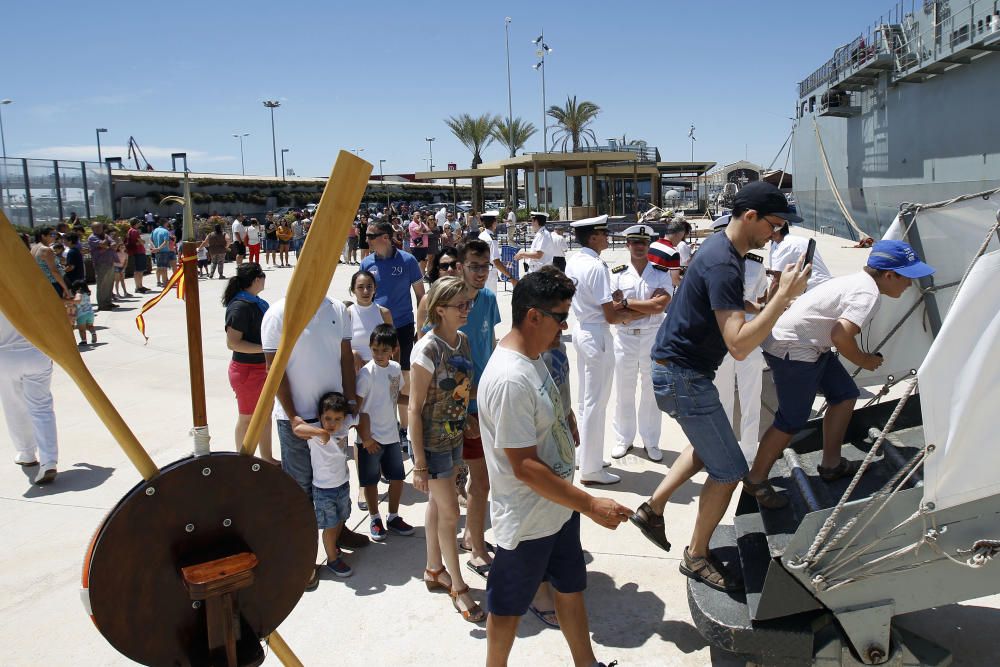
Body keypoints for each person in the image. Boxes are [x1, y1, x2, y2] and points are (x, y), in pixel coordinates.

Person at [630, 181, 809, 593]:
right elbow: (739, 345)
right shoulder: (725, 264)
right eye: (774, 225)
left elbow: (716, 301)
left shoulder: (717, 250)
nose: (776, 234)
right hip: (683, 376)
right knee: (729, 470)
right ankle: (696, 556)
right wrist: (782, 297)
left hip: (678, 371)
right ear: (750, 217)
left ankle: (652, 508)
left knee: (706, 446)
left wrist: (759, 306)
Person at [479, 269, 631, 667]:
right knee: (508, 608)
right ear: (533, 316)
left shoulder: (535, 357)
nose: (565, 326)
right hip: (529, 520)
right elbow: (525, 466)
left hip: (558, 510)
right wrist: (590, 504)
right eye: (560, 317)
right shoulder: (510, 379)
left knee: (569, 588)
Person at [746, 240, 936, 508]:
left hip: (809, 343)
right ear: (890, 275)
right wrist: (865, 360)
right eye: (908, 278)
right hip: (794, 348)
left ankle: (831, 464)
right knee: (792, 419)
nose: (909, 286)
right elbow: (840, 334)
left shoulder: (859, 282)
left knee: (844, 394)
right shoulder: (867, 295)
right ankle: (756, 479)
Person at [261, 289, 367, 552]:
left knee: (336, 479)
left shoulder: (338, 309)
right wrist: (294, 415)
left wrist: (351, 401)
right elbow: (273, 369)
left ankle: (338, 531)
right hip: (295, 420)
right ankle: (302, 553)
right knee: (300, 488)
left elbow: (345, 357)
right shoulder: (277, 313)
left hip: (333, 417)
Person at [408, 276, 483, 624]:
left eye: (468, 304)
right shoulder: (427, 349)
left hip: (454, 436)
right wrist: (419, 462)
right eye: (460, 305)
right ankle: (457, 584)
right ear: (440, 309)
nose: (466, 310)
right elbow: (414, 407)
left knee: (439, 506)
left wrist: (468, 417)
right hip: (432, 444)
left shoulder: (463, 341)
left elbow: (465, 386)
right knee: (451, 512)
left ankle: (434, 568)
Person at [564, 215, 631, 485]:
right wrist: (632, 312)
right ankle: (591, 468)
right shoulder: (595, 265)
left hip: (583, 329)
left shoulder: (575, 261)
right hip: (597, 332)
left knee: (585, 400)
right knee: (597, 402)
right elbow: (610, 315)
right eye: (603, 233)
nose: (607, 237)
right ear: (593, 237)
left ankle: (585, 455)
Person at [455, 239, 502, 579]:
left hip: (486, 400)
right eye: (474, 266)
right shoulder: (450, 303)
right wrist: (461, 408)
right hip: (460, 405)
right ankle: (477, 550)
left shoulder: (487, 299)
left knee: (481, 479)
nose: (481, 273)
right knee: (478, 479)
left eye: (485, 266)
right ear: (460, 267)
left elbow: (491, 343)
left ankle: (472, 535)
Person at [609, 224, 672, 463]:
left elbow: (660, 306)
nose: (639, 247)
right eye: (634, 242)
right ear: (627, 245)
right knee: (624, 390)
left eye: (643, 243)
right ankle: (623, 439)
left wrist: (626, 303)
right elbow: (612, 309)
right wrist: (641, 306)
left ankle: (651, 441)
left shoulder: (660, 272)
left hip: (652, 336)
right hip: (624, 337)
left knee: (651, 391)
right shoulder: (616, 272)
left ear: (649, 246)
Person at [710, 215, 771, 465]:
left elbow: (762, 298)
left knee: (751, 398)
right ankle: (723, 451)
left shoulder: (756, 266)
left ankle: (748, 453)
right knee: (721, 398)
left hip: (749, 339)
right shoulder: (710, 264)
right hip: (719, 340)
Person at [361, 220, 425, 447]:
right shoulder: (367, 263)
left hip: (404, 327)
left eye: (370, 235)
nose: (365, 239)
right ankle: (384, 426)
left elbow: (421, 296)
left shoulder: (407, 261)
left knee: (403, 378)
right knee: (378, 378)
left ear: (385, 237)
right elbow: (362, 294)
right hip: (377, 330)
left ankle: (405, 429)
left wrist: (421, 329)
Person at [355, 324, 415, 541]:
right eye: (375, 349)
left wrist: (415, 403)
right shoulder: (365, 374)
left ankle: (393, 516)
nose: (379, 354)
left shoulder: (396, 370)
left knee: (397, 478)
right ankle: (374, 518)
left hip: (391, 436)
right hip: (370, 440)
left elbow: (395, 397)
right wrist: (366, 438)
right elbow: (357, 410)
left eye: (384, 350)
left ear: (394, 350)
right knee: (370, 482)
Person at [293, 392, 358, 578]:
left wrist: (366, 436)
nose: (331, 423)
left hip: (343, 485)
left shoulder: (344, 427)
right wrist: (319, 432)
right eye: (327, 418)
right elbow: (297, 428)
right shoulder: (316, 433)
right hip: (324, 490)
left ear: (344, 418)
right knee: (329, 526)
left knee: (340, 519)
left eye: (337, 419)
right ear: (320, 417)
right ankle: (332, 559)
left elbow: (363, 416)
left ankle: (334, 549)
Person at [223, 263, 275, 464]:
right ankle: (243, 460)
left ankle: (267, 458)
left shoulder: (256, 302)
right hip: (247, 371)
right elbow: (233, 343)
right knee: (247, 417)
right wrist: (266, 348)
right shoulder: (240, 306)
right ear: (256, 280)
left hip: (262, 368)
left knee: (264, 415)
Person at [0, 311, 59, 485]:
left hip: (5, 355)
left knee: (14, 407)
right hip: (37, 352)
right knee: (42, 409)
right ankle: (49, 460)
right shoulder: (32, 285)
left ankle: (26, 452)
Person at [346, 270, 394, 372]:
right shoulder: (347, 314)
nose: (365, 291)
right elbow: (338, 345)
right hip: (354, 373)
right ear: (353, 290)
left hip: (380, 371)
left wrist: (395, 372)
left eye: (369, 286)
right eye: (360, 287)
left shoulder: (384, 313)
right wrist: (352, 352)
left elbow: (394, 344)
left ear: (375, 288)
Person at [478, 211, 516, 293]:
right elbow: (496, 261)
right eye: (496, 221)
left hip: (480, 271)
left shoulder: (481, 236)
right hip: (490, 274)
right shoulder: (491, 239)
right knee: (490, 300)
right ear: (494, 223)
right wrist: (510, 277)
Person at [30, 228, 70, 299]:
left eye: (55, 234)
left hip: (42, 283)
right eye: (52, 234)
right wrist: (65, 288)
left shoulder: (34, 247)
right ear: (43, 236)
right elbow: (54, 272)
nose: (55, 236)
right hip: (53, 284)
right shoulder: (46, 250)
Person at [125, 218, 149, 293]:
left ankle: (139, 286)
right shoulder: (135, 231)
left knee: (138, 270)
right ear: (136, 223)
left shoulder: (130, 231)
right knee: (139, 270)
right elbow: (140, 242)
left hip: (135, 252)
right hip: (139, 252)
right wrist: (143, 241)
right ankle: (139, 286)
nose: (140, 224)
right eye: (139, 222)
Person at [71, 279, 97, 346]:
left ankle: (84, 340)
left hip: (81, 315)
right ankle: (93, 333)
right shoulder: (87, 294)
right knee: (90, 326)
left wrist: (69, 301)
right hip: (90, 313)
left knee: (82, 329)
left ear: (78, 288)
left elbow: (77, 302)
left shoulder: (78, 294)